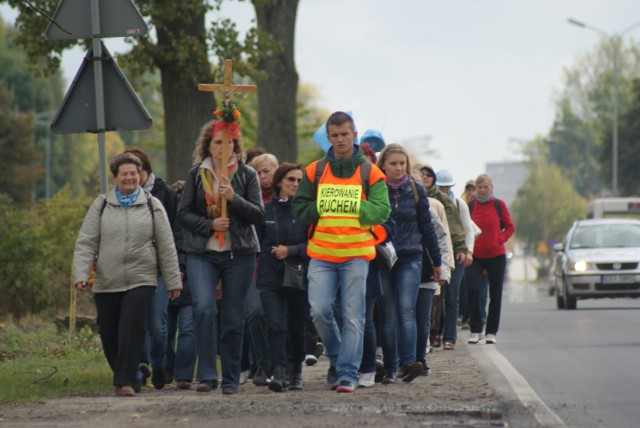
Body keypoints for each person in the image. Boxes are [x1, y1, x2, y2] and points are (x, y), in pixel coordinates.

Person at [292, 111, 391, 393]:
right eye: (334, 136)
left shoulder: (371, 172)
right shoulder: (315, 170)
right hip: (321, 254)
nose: (339, 140)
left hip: (356, 255)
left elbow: (382, 211)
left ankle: (347, 373)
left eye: (344, 134)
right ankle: (337, 358)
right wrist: (321, 208)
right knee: (320, 312)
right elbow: (300, 208)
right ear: (328, 137)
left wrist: (352, 206)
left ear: (354, 135)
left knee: (353, 316)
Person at [73, 153, 182, 397]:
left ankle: (126, 382)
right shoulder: (101, 204)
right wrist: (81, 273)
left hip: (141, 278)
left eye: (134, 173)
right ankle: (124, 373)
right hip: (107, 280)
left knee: (131, 327)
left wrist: (173, 280)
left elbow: (166, 246)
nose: (130, 177)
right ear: (115, 177)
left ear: (140, 175)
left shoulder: (153, 205)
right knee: (108, 330)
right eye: (124, 173)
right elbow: (86, 242)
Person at [176, 109, 264, 395]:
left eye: (228, 143)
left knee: (233, 316)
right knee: (203, 308)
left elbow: (258, 215)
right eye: (217, 143)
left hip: (238, 253)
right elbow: (183, 213)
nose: (222, 148)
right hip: (203, 253)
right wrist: (209, 223)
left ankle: (230, 377)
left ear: (235, 146)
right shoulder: (196, 174)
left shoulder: (247, 174)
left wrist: (233, 199)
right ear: (208, 145)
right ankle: (206, 375)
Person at [375, 143, 442, 384]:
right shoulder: (375, 187)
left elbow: (427, 227)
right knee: (389, 314)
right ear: (383, 164)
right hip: (383, 259)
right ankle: (391, 368)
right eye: (393, 163)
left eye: (402, 163)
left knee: (406, 308)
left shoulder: (415, 189)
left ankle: (408, 363)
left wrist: (437, 261)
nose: (398, 168)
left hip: (411, 257)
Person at [123, 146, 178, 390]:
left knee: (157, 322)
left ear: (146, 170)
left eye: (138, 171)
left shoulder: (164, 194)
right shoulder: (119, 198)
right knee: (137, 323)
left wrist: (176, 270)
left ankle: (159, 362)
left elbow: (174, 234)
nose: (134, 177)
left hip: (159, 268)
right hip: (132, 269)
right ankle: (139, 369)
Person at [257, 163, 308, 392]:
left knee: (296, 326)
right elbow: (256, 242)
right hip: (270, 276)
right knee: (276, 325)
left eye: (299, 180)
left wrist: (292, 250)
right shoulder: (265, 211)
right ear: (279, 182)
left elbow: (315, 244)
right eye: (290, 179)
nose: (295, 184)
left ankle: (295, 369)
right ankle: (279, 370)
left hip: (297, 274)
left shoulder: (306, 211)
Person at [418, 165, 469, 350]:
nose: (424, 179)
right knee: (432, 300)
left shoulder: (444, 202)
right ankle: (433, 336)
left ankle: (448, 337)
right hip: (419, 256)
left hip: (446, 254)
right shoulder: (411, 196)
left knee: (449, 297)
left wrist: (463, 249)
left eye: (428, 175)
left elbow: (451, 229)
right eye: (421, 175)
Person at [466, 174, 515, 345]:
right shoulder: (470, 206)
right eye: (479, 187)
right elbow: (465, 228)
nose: (482, 190)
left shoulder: (498, 205)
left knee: (495, 294)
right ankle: (476, 329)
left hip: (496, 255)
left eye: (485, 187)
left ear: (491, 188)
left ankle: (491, 332)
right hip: (475, 256)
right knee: (473, 291)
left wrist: (499, 239)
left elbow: (510, 227)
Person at [434, 169, 475, 351]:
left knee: (452, 297)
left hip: (457, 254)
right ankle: (436, 333)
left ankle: (449, 337)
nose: (443, 190)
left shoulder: (459, 204)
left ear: (451, 186)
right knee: (436, 297)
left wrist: (469, 252)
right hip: (439, 254)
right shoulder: (433, 202)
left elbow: (469, 230)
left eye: (446, 187)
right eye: (440, 187)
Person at [165, 180, 196, 390]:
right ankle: (168, 366)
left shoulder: (195, 221)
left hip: (190, 279)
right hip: (170, 276)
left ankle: (183, 374)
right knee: (164, 328)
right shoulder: (165, 219)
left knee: (187, 328)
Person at [416, 199, 451, 376]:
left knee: (423, 320)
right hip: (399, 271)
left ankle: (420, 359)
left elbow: (441, 238)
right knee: (403, 316)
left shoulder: (428, 209)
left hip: (427, 271)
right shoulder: (390, 203)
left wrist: (444, 269)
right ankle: (405, 360)